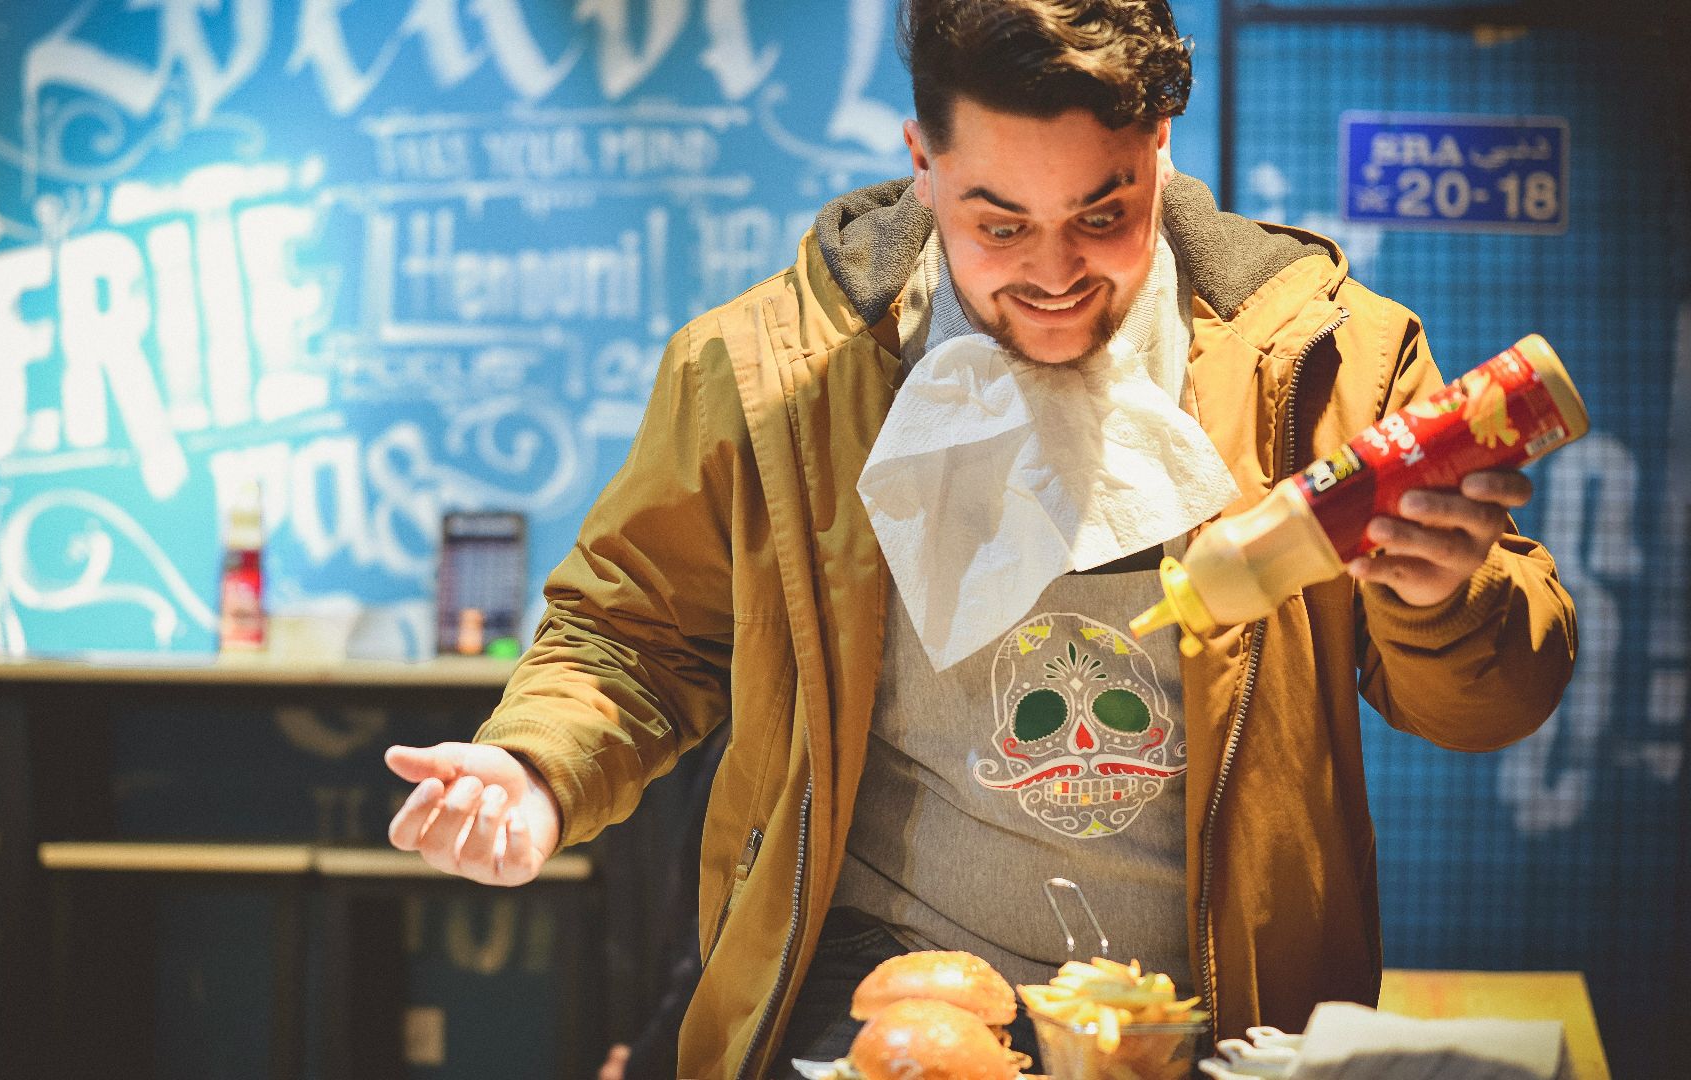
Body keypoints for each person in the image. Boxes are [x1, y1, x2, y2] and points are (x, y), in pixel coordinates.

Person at [383, 2, 1578, 1077]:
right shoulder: (771, 376)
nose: (1053, 275)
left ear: (1161, 148)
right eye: (997, 225)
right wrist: (537, 767)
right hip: (875, 1011)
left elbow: (1498, 699)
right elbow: (633, 631)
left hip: (1217, 1024)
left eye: (1101, 216)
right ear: (922, 163)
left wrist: (1439, 599)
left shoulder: (1327, 361)